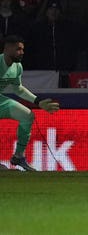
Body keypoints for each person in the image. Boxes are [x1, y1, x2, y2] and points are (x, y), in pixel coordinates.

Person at [0, 35, 60, 171]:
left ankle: (19, 156)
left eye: (22, 49)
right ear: (7, 48)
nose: (22, 52)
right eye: (18, 49)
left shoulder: (17, 67)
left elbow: (18, 89)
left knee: (27, 116)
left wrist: (38, 102)